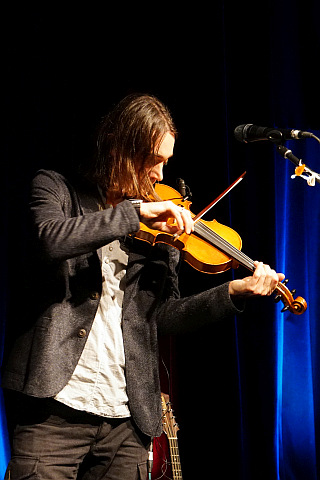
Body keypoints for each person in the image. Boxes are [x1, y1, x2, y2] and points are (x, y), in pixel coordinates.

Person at [2, 93, 285, 480]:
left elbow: (163, 318)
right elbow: (50, 239)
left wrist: (232, 293)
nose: (160, 176)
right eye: (154, 160)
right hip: (53, 412)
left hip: (127, 420)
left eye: (166, 162)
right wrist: (133, 214)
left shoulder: (158, 234)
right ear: (122, 148)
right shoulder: (56, 188)